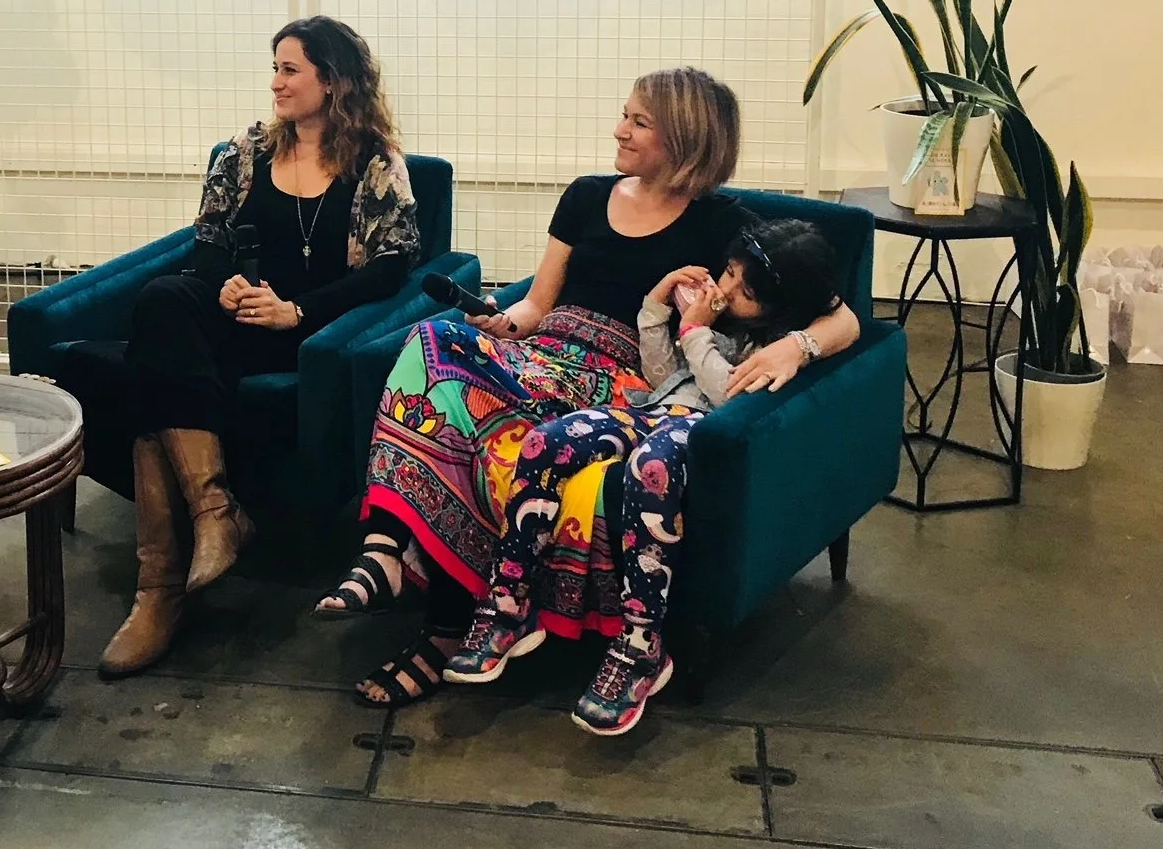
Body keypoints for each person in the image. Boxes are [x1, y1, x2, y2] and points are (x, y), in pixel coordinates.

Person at [317, 67, 860, 708]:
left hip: (618, 375)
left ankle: (440, 632)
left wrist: (795, 346)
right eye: (624, 114)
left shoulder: (725, 227)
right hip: (543, 353)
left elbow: (846, 316)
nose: (618, 130)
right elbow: (537, 305)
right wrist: (500, 320)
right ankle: (385, 547)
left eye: (638, 122)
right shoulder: (584, 196)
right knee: (430, 342)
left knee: (493, 451)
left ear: (684, 137)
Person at [56, 17, 419, 679]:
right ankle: (215, 511)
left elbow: (391, 267)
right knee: (167, 298)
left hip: (308, 334)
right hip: (237, 316)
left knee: (148, 376)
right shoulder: (247, 150)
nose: (275, 83)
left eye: (290, 70)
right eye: (275, 68)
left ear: (332, 81)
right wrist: (223, 286)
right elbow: (208, 243)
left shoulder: (374, 161)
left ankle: (157, 595)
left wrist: (297, 310)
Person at [443, 219, 846, 735]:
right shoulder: (717, 316)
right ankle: (508, 601)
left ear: (780, 304)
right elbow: (660, 376)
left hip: (701, 433)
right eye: (728, 272)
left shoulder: (777, 346)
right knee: (546, 442)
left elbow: (728, 398)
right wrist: (657, 306)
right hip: (655, 411)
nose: (725, 289)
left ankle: (641, 643)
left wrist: (696, 332)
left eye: (744, 291)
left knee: (649, 467)